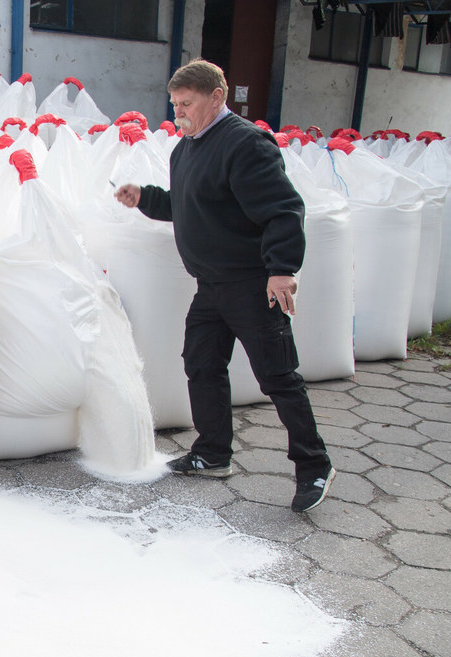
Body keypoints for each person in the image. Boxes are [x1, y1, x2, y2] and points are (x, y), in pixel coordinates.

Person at [114, 59, 334, 513]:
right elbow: (187, 204)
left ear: (218, 96)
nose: (179, 114)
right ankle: (213, 454)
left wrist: (282, 268)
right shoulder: (186, 149)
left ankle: (314, 464)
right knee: (202, 365)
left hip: (253, 284)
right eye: (174, 105)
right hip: (211, 286)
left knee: (278, 377)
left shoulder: (245, 144)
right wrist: (146, 198)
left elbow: (283, 208)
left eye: (187, 104)